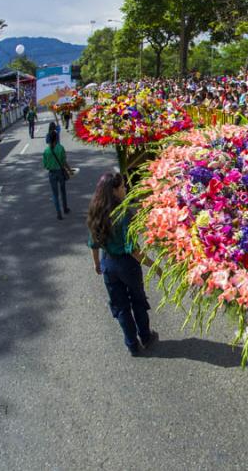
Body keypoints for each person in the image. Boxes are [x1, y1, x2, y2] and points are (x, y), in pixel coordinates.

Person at [87, 172, 158, 357]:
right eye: (122, 187)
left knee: (120, 306)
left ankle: (131, 344)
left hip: (108, 263)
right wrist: (154, 265)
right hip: (127, 265)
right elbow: (133, 250)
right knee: (138, 301)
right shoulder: (123, 213)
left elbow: (93, 243)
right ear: (114, 191)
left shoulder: (96, 210)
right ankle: (145, 336)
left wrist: (97, 264)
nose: (125, 189)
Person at [42, 130, 70, 220]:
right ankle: (65, 208)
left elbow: (45, 165)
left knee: (55, 194)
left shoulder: (46, 151)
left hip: (52, 173)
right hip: (60, 172)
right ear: (56, 138)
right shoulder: (61, 148)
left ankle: (58, 213)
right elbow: (64, 161)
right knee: (63, 191)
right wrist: (69, 170)